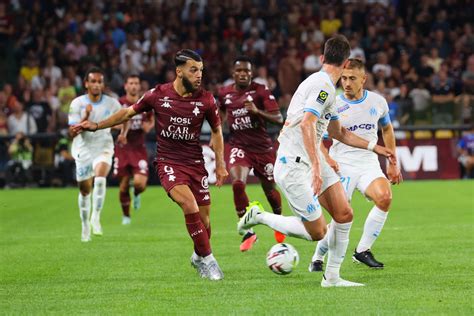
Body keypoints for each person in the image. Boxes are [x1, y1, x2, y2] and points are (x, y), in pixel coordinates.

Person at [237, 35, 395, 287]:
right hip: (294, 165)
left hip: (309, 162)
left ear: (322, 58)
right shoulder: (322, 86)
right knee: (318, 231)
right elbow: (308, 124)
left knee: (344, 214)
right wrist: (318, 166)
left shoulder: (327, 88)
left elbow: (338, 133)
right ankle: (259, 215)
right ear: (345, 64)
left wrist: (374, 146)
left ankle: (331, 278)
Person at [72, 49, 228, 281]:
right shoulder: (158, 94)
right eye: (193, 70)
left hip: (195, 164)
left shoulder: (206, 99)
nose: (198, 75)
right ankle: (210, 261)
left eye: (201, 71)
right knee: (189, 205)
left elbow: (217, 131)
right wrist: (96, 125)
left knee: (205, 222)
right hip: (169, 163)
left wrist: (220, 164)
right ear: (179, 71)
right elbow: (126, 113)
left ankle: (198, 256)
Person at [310, 59, 402, 271]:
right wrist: (327, 159)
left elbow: (387, 129)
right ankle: (317, 257)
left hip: (368, 163)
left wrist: (393, 162)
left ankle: (362, 250)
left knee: (385, 197)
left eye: (352, 78)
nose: (347, 82)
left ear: (364, 79)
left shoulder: (378, 102)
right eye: (343, 78)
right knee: (341, 216)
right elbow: (317, 138)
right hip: (342, 164)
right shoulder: (332, 103)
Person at [217, 56, 284, 252]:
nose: (243, 74)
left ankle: (278, 222)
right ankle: (248, 231)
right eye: (239, 71)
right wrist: (218, 128)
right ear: (233, 73)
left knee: (270, 191)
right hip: (239, 146)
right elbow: (220, 113)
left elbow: (279, 118)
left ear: (251, 73)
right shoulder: (224, 93)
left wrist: (257, 112)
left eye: (246, 71)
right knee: (237, 184)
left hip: (263, 149)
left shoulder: (260, 91)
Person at [68, 67, 122, 242]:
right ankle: (85, 225)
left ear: (103, 84)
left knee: (100, 178)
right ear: (86, 84)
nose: (97, 85)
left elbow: (123, 119)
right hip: (83, 148)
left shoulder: (112, 103)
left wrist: (121, 131)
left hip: (103, 145)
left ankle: (96, 218)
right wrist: (86, 116)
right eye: (93, 81)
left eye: (100, 82)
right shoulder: (77, 103)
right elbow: (72, 132)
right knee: (85, 190)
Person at [114, 74, 154, 225]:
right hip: (123, 148)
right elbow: (112, 122)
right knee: (124, 185)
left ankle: (136, 194)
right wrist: (121, 127)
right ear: (125, 86)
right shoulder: (119, 103)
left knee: (140, 184)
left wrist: (148, 127)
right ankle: (126, 216)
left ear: (139, 86)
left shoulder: (144, 102)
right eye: (130, 83)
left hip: (138, 148)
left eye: (136, 83)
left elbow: (151, 119)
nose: (133, 86)